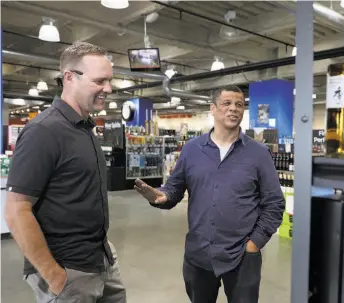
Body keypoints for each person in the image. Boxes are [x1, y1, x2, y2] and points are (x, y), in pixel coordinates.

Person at [135, 85, 285, 303]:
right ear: (212, 109)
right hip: (199, 253)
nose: (234, 109)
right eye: (227, 103)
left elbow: (274, 203)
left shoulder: (258, 153)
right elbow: (175, 187)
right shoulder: (192, 149)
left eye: (239, 105)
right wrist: (162, 196)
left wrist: (254, 244)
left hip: (242, 255)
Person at [5, 41, 126, 303]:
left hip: (100, 259)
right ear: (69, 78)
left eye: (110, 81)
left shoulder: (84, 128)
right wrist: (54, 276)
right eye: (100, 81)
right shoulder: (44, 131)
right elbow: (16, 210)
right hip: (68, 269)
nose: (109, 88)